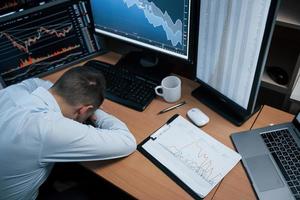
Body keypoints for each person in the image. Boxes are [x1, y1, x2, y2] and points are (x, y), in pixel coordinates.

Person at [0, 66, 137, 200]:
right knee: (96, 192)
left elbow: (36, 82)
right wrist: (97, 111)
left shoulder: (13, 92)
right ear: (82, 110)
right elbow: (127, 141)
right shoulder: (50, 128)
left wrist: (85, 103)